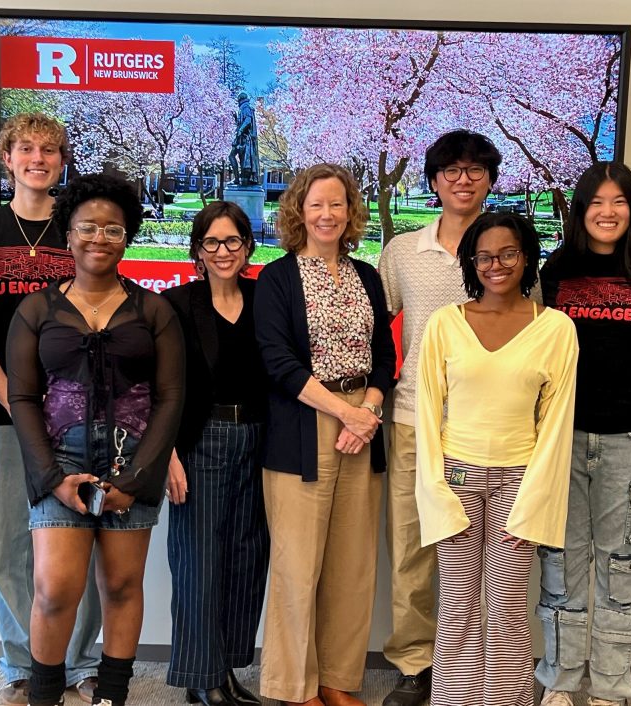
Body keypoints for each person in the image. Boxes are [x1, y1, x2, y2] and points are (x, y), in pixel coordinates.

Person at [6, 173, 186, 706]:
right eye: (88, 227)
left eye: (113, 228)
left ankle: (111, 696)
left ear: (127, 235)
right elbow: (22, 399)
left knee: (123, 588)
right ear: (69, 233)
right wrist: (53, 479)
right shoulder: (36, 310)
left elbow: (170, 397)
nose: (99, 238)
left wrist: (136, 479)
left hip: (133, 466)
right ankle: (44, 695)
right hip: (61, 465)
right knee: (54, 590)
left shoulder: (153, 310)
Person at [0, 112, 102, 705]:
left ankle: (80, 664)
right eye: (25, 149)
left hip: (76, 416)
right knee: (15, 542)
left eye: (49, 149)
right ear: (7, 158)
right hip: (2, 418)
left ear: (62, 159)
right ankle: (22, 664)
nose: (37, 158)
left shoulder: (80, 230)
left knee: (80, 533)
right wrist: (17, 407)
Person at [415, 212, 578, 706]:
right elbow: (426, 413)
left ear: (526, 257)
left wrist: (534, 501)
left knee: (506, 608)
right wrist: (435, 490)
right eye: (484, 256)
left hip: (519, 483)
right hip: (456, 479)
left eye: (508, 253)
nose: (496, 265)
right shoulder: (446, 324)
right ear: (471, 262)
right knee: (459, 604)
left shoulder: (555, 329)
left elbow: (556, 424)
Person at [254, 164, 396, 706]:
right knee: (297, 565)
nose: (327, 214)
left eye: (337, 204)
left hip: (364, 422)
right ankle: (295, 688)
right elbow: (277, 361)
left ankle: (338, 681)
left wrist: (369, 412)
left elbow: (385, 355)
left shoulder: (367, 275)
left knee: (352, 565)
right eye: (316, 204)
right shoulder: (277, 278)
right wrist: (344, 411)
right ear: (298, 211)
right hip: (305, 424)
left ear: (351, 211)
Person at [534, 162, 631, 706]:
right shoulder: (558, 266)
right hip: (563, 438)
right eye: (596, 202)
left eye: (619, 202)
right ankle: (561, 683)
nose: (607, 212)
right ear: (580, 207)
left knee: (623, 567)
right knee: (560, 565)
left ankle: (611, 687)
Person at [377, 129, 502, 706]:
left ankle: (467, 659)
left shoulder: (507, 250)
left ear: (490, 179)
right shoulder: (404, 250)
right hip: (409, 417)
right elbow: (375, 331)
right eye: (451, 169)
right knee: (411, 543)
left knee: (477, 547)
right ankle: (413, 662)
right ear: (433, 181)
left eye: (476, 169)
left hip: (486, 426)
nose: (463, 178)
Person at [163, 201, 269, 706]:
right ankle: (200, 679)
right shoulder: (178, 305)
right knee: (198, 562)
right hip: (199, 442)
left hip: (260, 442)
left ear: (248, 246)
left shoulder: (264, 296)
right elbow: (159, 386)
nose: (223, 252)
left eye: (232, 242)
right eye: (212, 242)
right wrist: (167, 454)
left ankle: (224, 670)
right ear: (197, 250)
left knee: (245, 559)